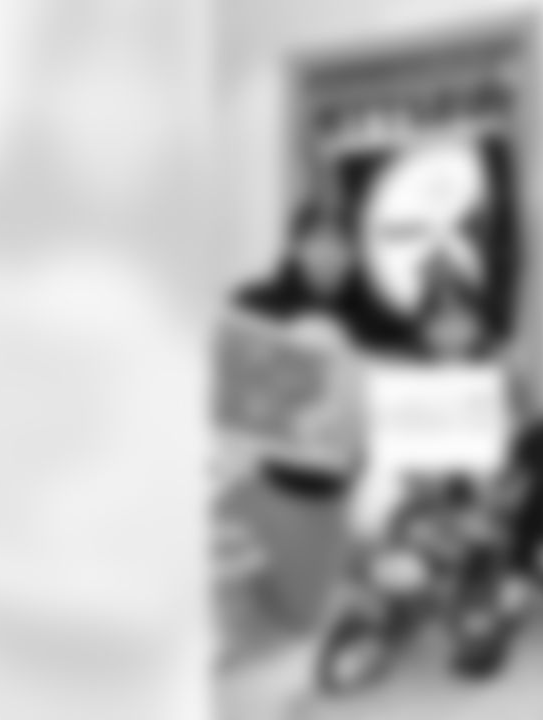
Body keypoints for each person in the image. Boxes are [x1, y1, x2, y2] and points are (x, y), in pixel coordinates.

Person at [212, 201, 366, 675]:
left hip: (333, 478)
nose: (331, 254)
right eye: (319, 240)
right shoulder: (257, 301)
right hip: (267, 472)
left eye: (342, 243)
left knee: (304, 618)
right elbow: (233, 383)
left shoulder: (363, 307)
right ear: (296, 245)